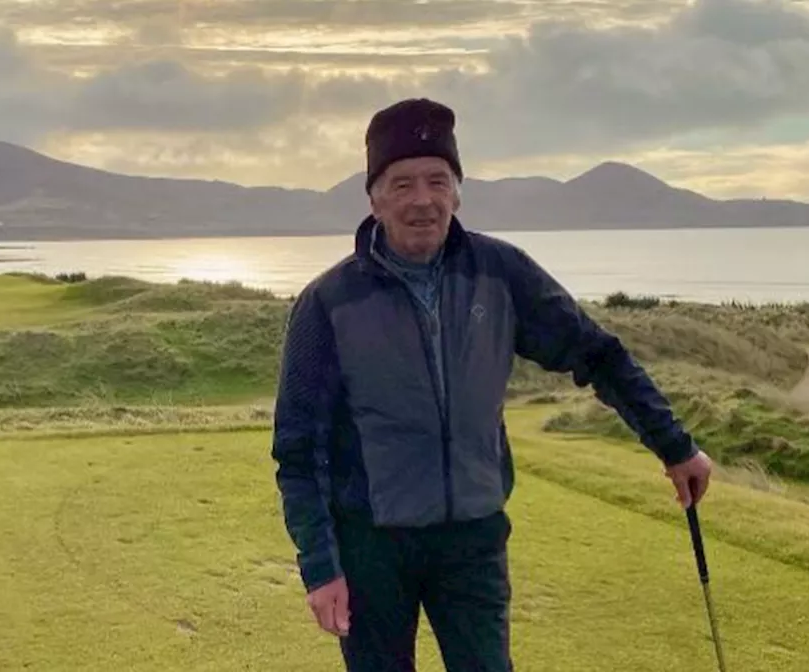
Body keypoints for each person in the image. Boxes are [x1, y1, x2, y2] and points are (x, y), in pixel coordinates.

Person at [269, 98, 714, 671]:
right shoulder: (328, 302)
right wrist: (321, 566)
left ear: (458, 190)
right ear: (374, 198)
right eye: (402, 183)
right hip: (371, 548)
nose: (422, 200)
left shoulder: (501, 273)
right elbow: (298, 450)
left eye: (437, 180)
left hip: (474, 540)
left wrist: (674, 446)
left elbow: (597, 354)